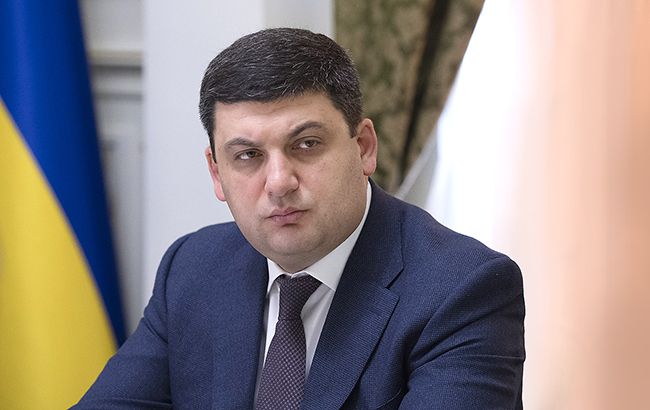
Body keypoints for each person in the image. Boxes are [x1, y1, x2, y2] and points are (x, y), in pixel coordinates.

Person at [75, 28, 525, 409]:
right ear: (216, 173)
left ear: (364, 148)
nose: (279, 182)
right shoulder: (194, 267)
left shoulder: (463, 289)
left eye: (306, 145)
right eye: (248, 155)